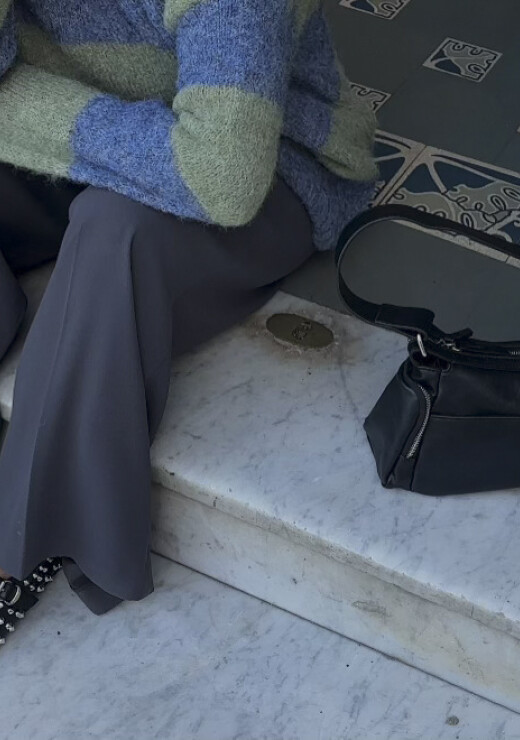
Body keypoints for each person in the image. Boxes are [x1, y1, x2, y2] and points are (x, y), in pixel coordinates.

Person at [0, 0, 378, 640]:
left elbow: (221, 176)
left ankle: (24, 544)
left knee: (115, 232)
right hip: (105, 126)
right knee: (105, 209)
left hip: (271, 159)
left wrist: (16, 107)